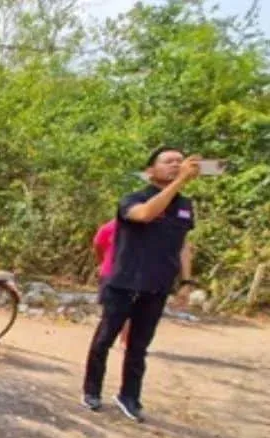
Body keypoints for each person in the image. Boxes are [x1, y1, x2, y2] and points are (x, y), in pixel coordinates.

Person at [83, 148, 200, 422]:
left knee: (139, 345)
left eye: (179, 162)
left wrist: (185, 281)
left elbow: (183, 244)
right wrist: (179, 181)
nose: (175, 165)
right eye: (168, 161)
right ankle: (92, 390)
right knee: (104, 339)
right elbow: (145, 215)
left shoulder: (184, 206)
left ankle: (129, 396)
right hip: (123, 282)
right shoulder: (132, 200)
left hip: (157, 285)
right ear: (150, 171)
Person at [92, 219, 130, 348]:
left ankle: (124, 339)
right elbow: (97, 244)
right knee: (109, 310)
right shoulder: (109, 227)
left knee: (129, 309)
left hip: (131, 274)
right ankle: (105, 339)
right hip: (110, 272)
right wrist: (102, 262)